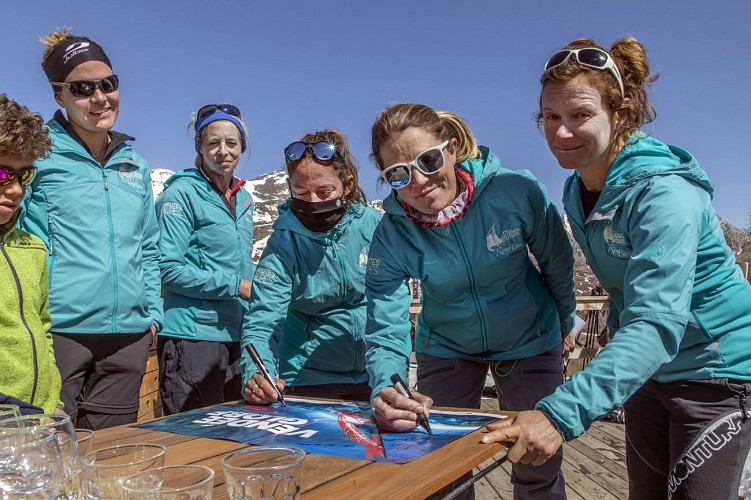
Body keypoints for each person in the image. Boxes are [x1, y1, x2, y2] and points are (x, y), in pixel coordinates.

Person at [483, 36, 751, 499]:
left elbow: (656, 319)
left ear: (620, 114)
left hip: (717, 375)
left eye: (580, 115)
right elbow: (628, 285)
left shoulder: (664, 195)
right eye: (551, 117)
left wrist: (556, 414)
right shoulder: (577, 190)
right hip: (648, 371)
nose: (561, 133)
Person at [365, 103, 576, 499]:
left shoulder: (517, 190)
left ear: (453, 147)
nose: (420, 181)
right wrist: (388, 383)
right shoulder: (391, 235)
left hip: (530, 336)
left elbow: (557, 262)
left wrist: (565, 320)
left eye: (428, 160)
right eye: (399, 173)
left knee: (537, 462)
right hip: (447, 346)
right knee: (442, 464)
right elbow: (385, 322)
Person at [22, 29, 163, 429]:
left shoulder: (134, 164)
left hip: (129, 338)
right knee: (49, 451)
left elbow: (148, 246)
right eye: (82, 88)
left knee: (110, 455)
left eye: (108, 84)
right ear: (59, 96)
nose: (99, 98)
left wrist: (153, 313)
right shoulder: (37, 156)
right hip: (60, 333)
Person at [241, 129, 381, 404]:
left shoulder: (373, 226)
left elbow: (391, 307)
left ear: (348, 185)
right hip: (307, 378)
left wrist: (390, 374)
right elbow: (263, 318)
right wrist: (258, 373)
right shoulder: (284, 242)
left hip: (373, 374)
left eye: (325, 191)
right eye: (301, 192)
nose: (313, 202)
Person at [155, 104, 255, 414]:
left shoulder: (244, 198)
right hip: (193, 338)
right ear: (200, 146)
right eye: (213, 142)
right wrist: (235, 286)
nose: (223, 151)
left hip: (236, 334)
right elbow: (166, 268)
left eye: (231, 143)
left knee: (236, 431)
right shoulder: (181, 194)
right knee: (193, 437)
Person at [0, 94, 63, 416]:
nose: (16, 189)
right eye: (2, 174)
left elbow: (41, 330)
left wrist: (56, 403)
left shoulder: (31, 248)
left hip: (40, 424)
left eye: (24, 175)